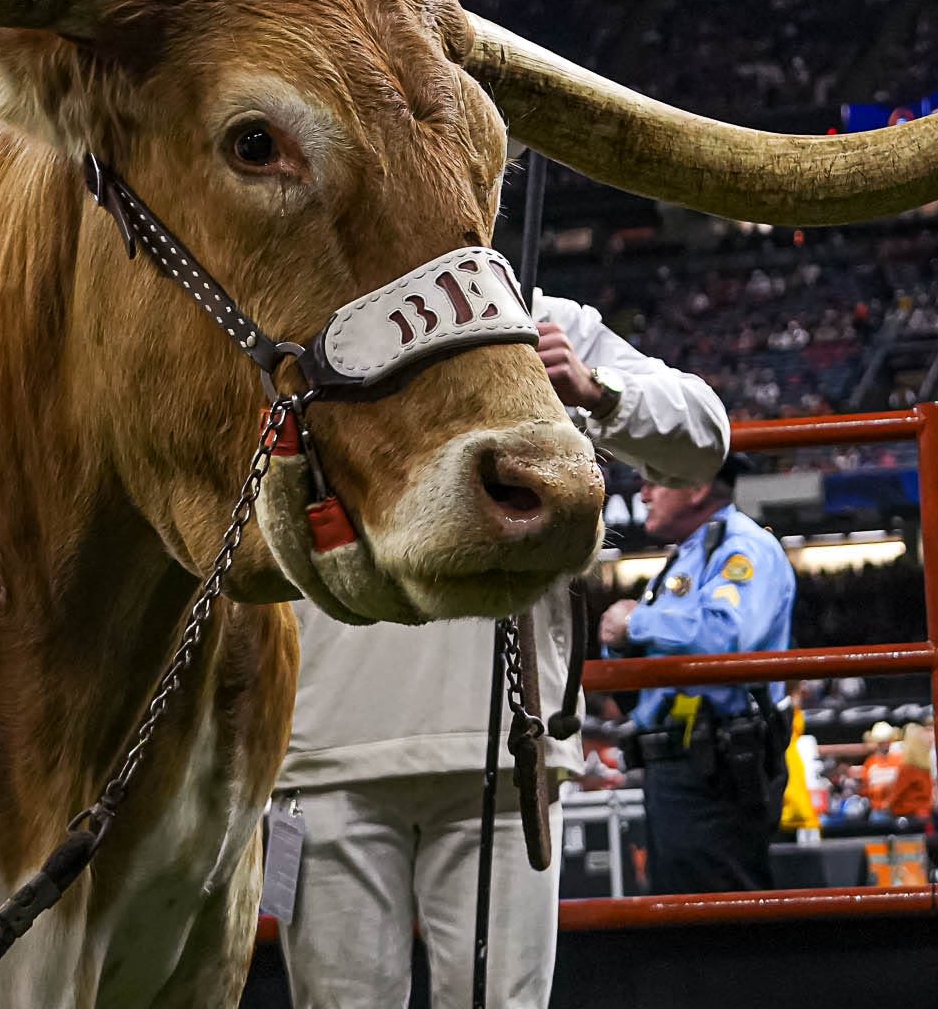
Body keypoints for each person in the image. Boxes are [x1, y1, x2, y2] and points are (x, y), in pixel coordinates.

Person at [277, 297, 728, 1009]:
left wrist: (596, 391)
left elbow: (704, 437)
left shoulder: (536, 316)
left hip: (488, 745)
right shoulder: (301, 295)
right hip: (332, 748)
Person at [601, 455, 797, 893]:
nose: (644, 493)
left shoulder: (742, 548)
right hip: (680, 765)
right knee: (684, 916)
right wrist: (620, 641)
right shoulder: (692, 554)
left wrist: (635, 624)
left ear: (698, 487)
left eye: (655, 480)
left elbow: (728, 636)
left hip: (717, 768)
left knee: (719, 919)